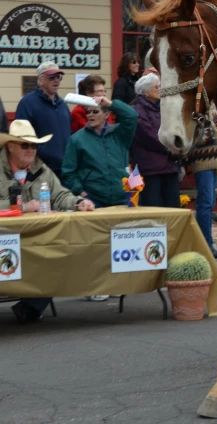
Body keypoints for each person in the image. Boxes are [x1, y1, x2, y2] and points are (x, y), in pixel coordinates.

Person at [0, 120, 95, 324]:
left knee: (62, 252)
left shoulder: (41, 169)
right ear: (10, 146)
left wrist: (78, 202)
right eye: (25, 145)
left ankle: (32, 306)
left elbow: (60, 195)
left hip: (35, 238)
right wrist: (23, 208)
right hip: (4, 237)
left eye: (34, 145)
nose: (31, 150)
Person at [62, 95, 138, 208]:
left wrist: (111, 104)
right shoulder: (76, 139)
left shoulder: (119, 134)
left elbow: (132, 116)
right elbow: (68, 173)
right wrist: (82, 193)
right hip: (93, 200)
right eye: (88, 112)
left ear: (107, 115)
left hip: (122, 198)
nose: (91, 115)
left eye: (95, 111)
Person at [15, 62, 71, 179]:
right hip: (40, 170)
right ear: (40, 80)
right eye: (51, 77)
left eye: (59, 77)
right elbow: (21, 138)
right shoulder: (27, 104)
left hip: (65, 170)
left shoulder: (63, 105)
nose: (56, 80)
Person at [132, 74, 181, 208]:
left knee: (173, 208)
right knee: (153, 207)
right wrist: (171, 147)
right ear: (145, 91)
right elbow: (149, 136)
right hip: (151, 169)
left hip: (169, 166)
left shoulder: (161, 108)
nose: (160, 89)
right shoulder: (138, 111)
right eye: (156, 87)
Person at [187, 113, 217, 258]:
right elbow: (198, 137)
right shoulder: (194, 115)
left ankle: (208, 244)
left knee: (209, 204)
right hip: (203, 163)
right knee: (205, 205)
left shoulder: (208, 111)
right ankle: (205, 246)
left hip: (214, 163)